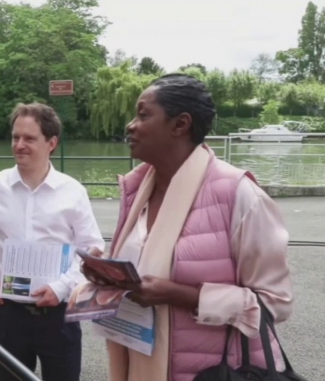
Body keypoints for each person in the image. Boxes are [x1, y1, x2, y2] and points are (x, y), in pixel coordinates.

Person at [81, 74, 293, 381]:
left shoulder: (239, 195)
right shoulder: (138, 189)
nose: (130, 125)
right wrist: (106, 276)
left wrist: (183, 296)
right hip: (136, 363)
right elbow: (139, 277)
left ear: (180, 125)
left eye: (143, 115)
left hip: (210, 373)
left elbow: (276, 304)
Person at [0, 102, 105, 381]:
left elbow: (91, 247)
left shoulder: (72, 191)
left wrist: (62, 286)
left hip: (59, 315)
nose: (19, 145)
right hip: (9, 314)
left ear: (51, 142)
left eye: (29, 138)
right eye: (15, 137)